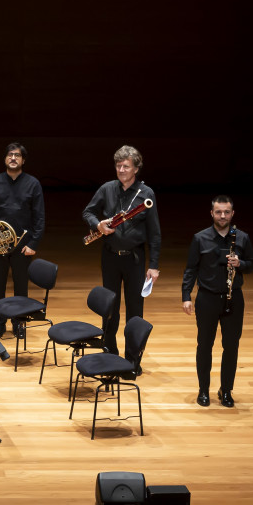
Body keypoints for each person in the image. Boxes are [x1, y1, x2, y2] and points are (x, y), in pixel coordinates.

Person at [82, 145, 160, 367]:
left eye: (126, 166)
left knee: (135, 310)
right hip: (110, 258)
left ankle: (133, 358)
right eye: (118, 165)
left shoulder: (146, 194)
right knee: (110, 307)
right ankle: (109, 350)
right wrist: (98, 224)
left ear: (136, 169)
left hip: (134, 259)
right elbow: (87, 212)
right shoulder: (107, 189)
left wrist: (153, 266)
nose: (121, 169)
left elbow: (155, 234)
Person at [182, 195, 253, 408]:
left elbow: (252, 264)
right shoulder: (200, 238)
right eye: (218, 212)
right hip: (207, 299)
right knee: (204, 345)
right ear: (212, 213)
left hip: (234, 298)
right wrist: (186, 296)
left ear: (232, 214)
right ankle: (203, 389)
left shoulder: (242, 238)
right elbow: (191, 269)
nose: (222, 216)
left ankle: (226, 390)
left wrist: (240, 263)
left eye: (226, 212)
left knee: (231, 346)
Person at [0, 143, 45, 338]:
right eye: (10, 155)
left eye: (17, 155)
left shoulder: (33, 183)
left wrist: (33, 244)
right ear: (5, 159)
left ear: (23, 160)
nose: (13, 158)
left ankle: (19, 323)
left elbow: (39, 217)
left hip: (23, 244)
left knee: (21, 287)